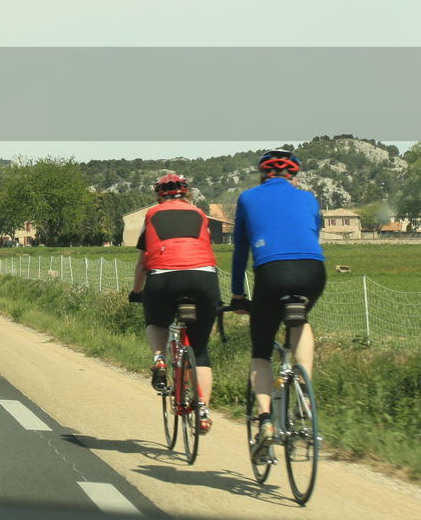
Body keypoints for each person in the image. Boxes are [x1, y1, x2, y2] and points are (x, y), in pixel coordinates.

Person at [230, 149, 326, 457]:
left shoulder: (247, 198)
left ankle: (266, 420)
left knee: (261, 349)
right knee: (300, 321)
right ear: (293, 176)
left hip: (271, 271)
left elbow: (240, 251)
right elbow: (312, 232)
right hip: (313, 270)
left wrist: (238, 297)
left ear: (262, 175)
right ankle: (305, 393)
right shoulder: (310, 199)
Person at [129, 172, 219, 434]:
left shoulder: (152, 216)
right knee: (200, 349)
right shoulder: (200, 215)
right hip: (204, 278)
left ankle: (159, 360)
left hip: (163, 279)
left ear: (158, 195)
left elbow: (144, 261)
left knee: (157, 321)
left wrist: (136, 292)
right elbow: (205, 249)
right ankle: (203, 409)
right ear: (187, 193)